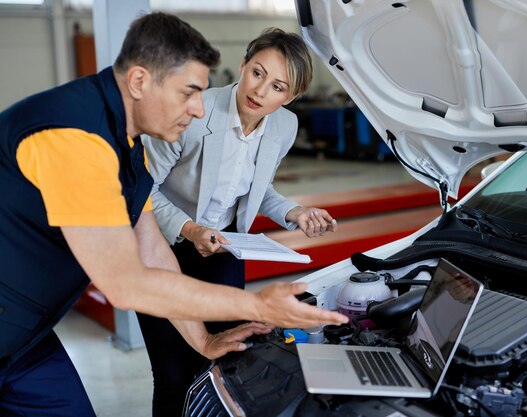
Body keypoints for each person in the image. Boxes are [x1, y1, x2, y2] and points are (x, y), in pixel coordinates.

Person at [0, 13, 347, 416]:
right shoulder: (76, 139)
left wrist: (202, 340)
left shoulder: (125, 147)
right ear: (140, 81)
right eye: (189, 92)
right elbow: (126, 284)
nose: (200, 109)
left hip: (27, 335)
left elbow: (151, 253)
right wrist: (258, 307)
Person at [138, 27, 339, 416]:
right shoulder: (192, 112)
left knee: (222, 363)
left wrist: (295, 212)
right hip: (162, 246)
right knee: (173, 373)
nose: (261, 91)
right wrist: (189, 228)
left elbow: (256, 190)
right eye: (258, 73)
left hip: (225, 250)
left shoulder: (284, 127)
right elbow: (141, 190)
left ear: (292, 97)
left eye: (278, 87)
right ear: (243, 64)